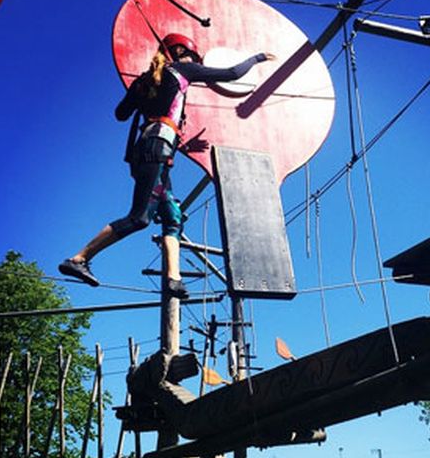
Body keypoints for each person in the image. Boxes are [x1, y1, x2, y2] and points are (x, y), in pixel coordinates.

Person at [59, 33, 275, 298]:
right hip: (156, 149)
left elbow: (121, 114)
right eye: (193, 57)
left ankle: (174, 280)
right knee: (139, 218)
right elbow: (231, 73)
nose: (195, 62)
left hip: (147, 150)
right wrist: (257, 58)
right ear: (180, 52)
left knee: (173, 217)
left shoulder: (144, 80)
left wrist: (143, 92)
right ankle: (79, 258)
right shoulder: (182, 69)